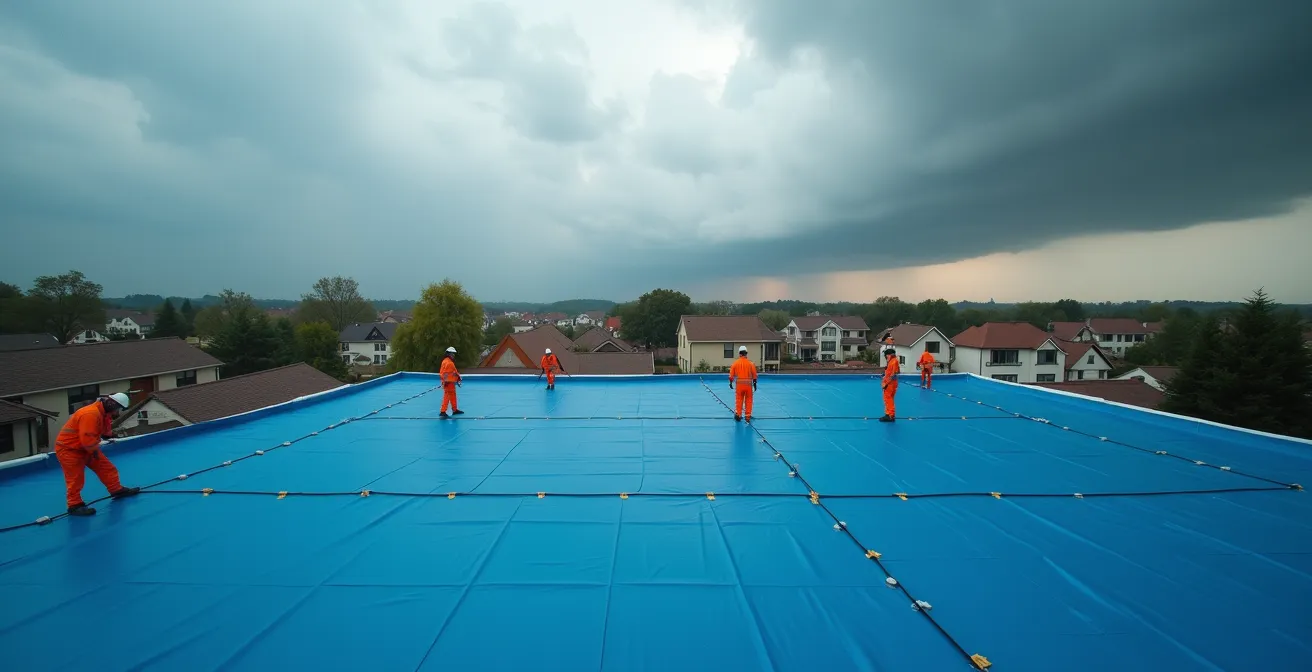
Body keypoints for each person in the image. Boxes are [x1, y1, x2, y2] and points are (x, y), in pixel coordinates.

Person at [55, 393, 140, 516]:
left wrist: (110, 435)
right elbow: (87, 437)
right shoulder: (90, 414)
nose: (118, 412)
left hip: (86, 448)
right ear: (112, 404)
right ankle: (74, 505)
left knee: (107, 468)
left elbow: (104, 429)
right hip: (69, 450)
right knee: (75, 478)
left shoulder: (104, 413)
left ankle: (116, 490)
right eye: (118, 409)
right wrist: (94, 452)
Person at [728, 345, 758, 422]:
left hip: (739, 385)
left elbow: (731, 375)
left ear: (740, 354)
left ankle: (738, 415)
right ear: (746, 354)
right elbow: (754, 375)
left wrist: (731, 382)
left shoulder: (735, 363)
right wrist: (754, 383)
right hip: (748, 385)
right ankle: (748, 416)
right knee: (749, 400)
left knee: (739, 399)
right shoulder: (751, 364)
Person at [439, 346, 464, 417]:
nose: (453, 355)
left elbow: (453, 372)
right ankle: (443, 411)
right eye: (452, 354)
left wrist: (458, 378)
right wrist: (447, 381)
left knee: (452, 396)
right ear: (449, 354)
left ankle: (454, 409)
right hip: (449, 383)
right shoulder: (449, 363)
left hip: (449, 382)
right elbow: (447, 373)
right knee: (447, 396)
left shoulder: (446, 361)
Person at [879, 347, 899, 422]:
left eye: (886, 355)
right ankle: (888, 414)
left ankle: (890, 415)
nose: (885, 357)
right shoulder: (892, 361)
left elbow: (894, 374)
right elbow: (890, 372)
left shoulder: (894, 361)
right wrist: (884, 374)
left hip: (890, 384)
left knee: (888, 399)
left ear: (889, 355)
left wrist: (886, 383)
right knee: (889, 399)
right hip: (891, 383)